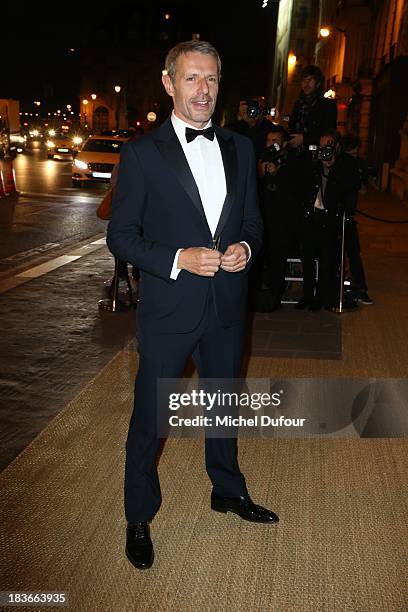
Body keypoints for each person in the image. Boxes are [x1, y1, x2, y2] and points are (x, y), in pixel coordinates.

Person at [107, 40, 279, 571]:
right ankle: (139, 513)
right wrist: (178, 257)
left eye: (211, 80)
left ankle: (226, 489)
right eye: (191, 79)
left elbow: (252, 220)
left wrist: (245, 249)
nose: (203, 90)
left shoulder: (240, 148)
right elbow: (122, 236)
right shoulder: (140, 153)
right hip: (168, 310)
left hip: (226, 304)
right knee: (149, 418)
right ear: (169, 83)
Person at [296, 129, 361, 311]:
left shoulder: (345, 165)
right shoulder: (312, 162)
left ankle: (322, 297)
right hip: (311, 217)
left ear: (337, 146)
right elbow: (301, 185)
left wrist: (331, 167)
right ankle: (307, 295)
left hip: (330, 219)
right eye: (322, 145)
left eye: (329, 145)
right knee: (307, 259)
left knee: (327, 260)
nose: (325, 149)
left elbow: (350, 187)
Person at [258, 125, 303, 310]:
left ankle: (275, 297)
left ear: (284, 143)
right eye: (269, 140)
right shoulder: (264, 157)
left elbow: (294, 190)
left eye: (275, 141)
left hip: (284, 221)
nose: (271, 144)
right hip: (264, 217)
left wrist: (277, 174)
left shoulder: (293, 160)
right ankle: (262, 295)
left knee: (278, 259)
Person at [341, 133, 373, 305]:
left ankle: (360, 288)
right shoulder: (339, 164)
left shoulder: (358, 165)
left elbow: (363, 190)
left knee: (353, 253)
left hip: (349, 215)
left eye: (354, 154)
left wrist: (358, 179)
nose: (352, 158)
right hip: (335, 214)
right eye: (350, 155)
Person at [288, 65, 337, 151]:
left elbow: (329, 133)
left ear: (317, 83)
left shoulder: (327, 105)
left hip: (316, 154)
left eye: (310, 80)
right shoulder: (298, 104)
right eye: (304, 80)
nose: (306, 84)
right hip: (296, 152)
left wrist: (304, 139)